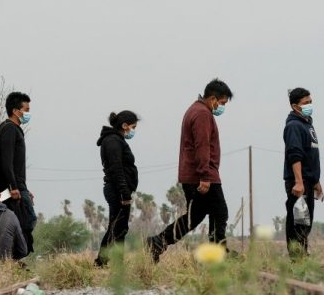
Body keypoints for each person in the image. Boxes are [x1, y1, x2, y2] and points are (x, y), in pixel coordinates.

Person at [146, 79, 233, 263]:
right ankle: (218, 253)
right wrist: (205, 175)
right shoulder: (202, 114)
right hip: (202, 175)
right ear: (213, 99)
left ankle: (157, 243)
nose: (222, 107)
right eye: (222, 103)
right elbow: (201, 146)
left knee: (195, 217)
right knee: (220, 212)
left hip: (195, 174)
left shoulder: (195, 110)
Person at [95, 110, 139, 266]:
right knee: (116, 228)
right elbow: (116, 168)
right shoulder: (113, 140)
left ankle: (116, 263)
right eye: (133, 127)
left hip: (118, 190)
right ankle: (101, 262)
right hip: (117, 190)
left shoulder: (116, 140)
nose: (133, 130)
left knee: (120, 228)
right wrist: (125, 193)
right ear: (124, 125)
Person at [283, 87, 322, 258]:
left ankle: (302, 256)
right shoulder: (294, 126)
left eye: (310, 102)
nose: (309, 105)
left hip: (308, 181)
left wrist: (316, 181)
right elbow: (295, 155)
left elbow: (310, 156)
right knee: (298, 222)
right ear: (295, 106)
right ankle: (296, 259)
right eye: (305, 103)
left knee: (305, 222)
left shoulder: (307, 125)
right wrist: (299, 182)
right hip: (299, 183)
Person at [0, 91, 36, 253]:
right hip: (10, 189)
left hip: (18, 186)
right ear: (15, 111)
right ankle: (13, 258)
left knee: (25, 221)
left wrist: (24, 188)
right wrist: (13, 187)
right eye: (26, 109)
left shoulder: (15, 130)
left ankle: (16, 258)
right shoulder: (9, 129)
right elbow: (6, 162)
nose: (28, 113)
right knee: (22, 222)